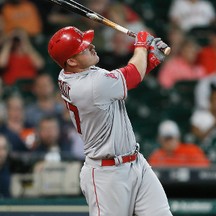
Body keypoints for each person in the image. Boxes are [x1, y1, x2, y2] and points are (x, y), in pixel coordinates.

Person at [48, 26, 172, 215]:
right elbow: (131, 76)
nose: (91, 46)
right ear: (71, 60)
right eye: (84, 47)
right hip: (107, 174)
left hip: (135, 162)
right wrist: (140, 44)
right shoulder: (89, 86)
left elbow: (118, 82)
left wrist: (146, 61)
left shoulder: (72, 74)